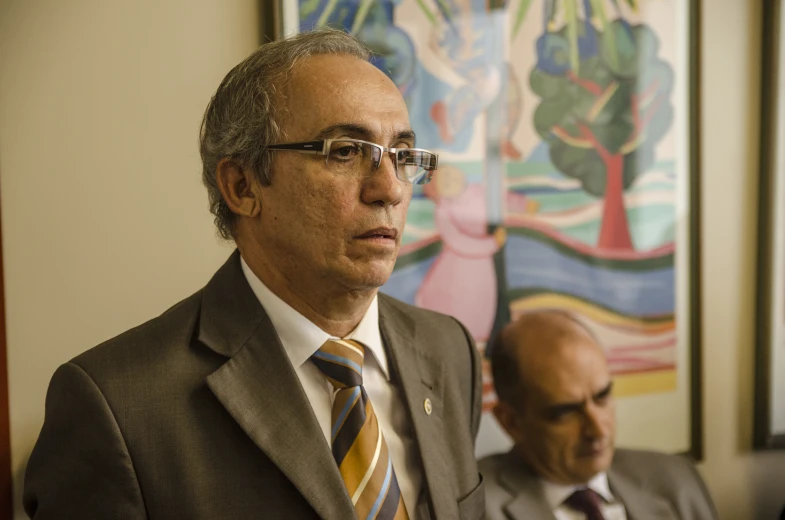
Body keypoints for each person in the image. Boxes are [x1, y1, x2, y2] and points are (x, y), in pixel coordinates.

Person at [23, 29, 485, 520]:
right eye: (346, 151)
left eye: (403, 155)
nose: (389, 190)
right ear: (242, 186)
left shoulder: (448, 350)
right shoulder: (117, 406)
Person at [479, 311, 718, 520]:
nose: (599, 430)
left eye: (602, 396)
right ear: (510, 422)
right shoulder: (472, 509)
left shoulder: (676, 478)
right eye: (565, 412)